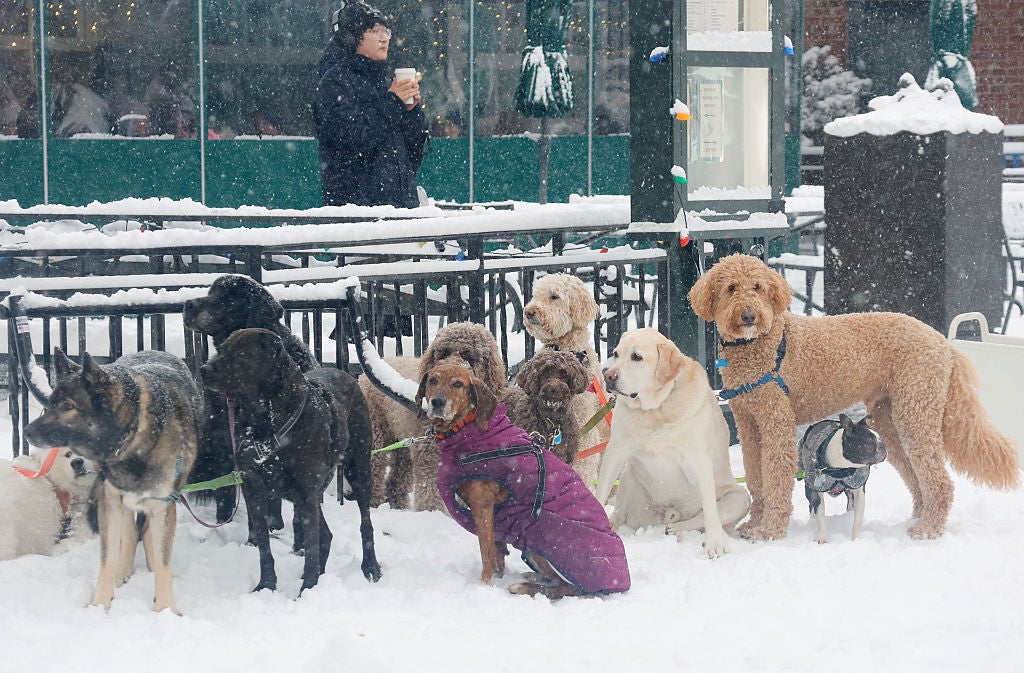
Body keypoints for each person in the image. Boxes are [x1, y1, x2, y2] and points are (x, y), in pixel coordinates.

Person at [314, 2, 428, 208]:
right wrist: (394, 103)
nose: (384, 38)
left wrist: (412, 112)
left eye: (386, 31)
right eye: (375, 31)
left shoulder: (386, 81)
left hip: (401, 207)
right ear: (352, 36)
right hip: (357, 214)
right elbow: (351, 140)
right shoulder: (335, 82)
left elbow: (412, 155)